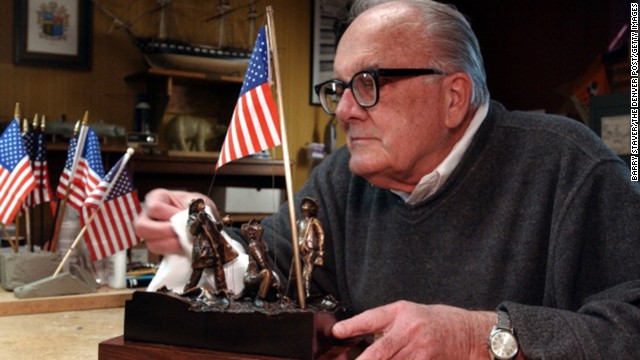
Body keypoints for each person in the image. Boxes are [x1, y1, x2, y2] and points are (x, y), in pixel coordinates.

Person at [135, 0, 640, 358]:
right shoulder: (341, 177)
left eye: (369, 83)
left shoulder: (571, 167)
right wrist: (204, 237)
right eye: (339, 87)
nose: (345, 110)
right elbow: (272, 272)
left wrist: (481, 337)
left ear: (453, 98)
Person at [183, 198, 238, 303]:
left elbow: (215, 228)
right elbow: (192, 230)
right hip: (202, 250)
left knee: (219, 271)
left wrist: (223, 222)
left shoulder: (207, 217)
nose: (202, 205)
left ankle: (223, 291)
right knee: (197, 273)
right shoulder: (193, 218)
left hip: (214, 248)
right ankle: (187, 292)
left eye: (202, 203)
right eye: (199, 204)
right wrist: (199, 219)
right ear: (194, 207)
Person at [295, 196, 325, 300]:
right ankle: (298, 293)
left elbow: (321, 234)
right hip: (299, 249)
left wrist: (321, 250)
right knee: (297, 271)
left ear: (313, 209)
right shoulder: (298, 221)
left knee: (307, 272)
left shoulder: (314, 221)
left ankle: (306, 293)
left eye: (309, 204)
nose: (306, 205)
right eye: (305, 203)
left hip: (310, 249)